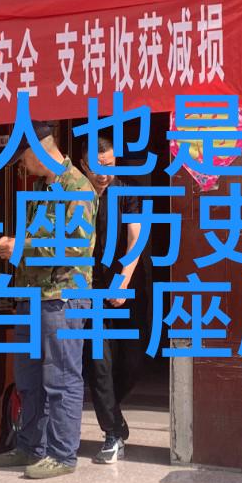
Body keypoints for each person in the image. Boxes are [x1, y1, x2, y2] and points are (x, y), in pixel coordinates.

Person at [0, 122, 97, 479]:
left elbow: (74, 247)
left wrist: (19, 246)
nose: (22, 165)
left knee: (61, 378)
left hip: (62, 297)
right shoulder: (39, 188)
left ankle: (62, 455)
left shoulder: (78, 187)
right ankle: (31, 447)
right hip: (30, 297)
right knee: (29, 379)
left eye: (22, 158)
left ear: (38, 150)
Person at [80, 135, 150, 464]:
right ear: (84, 166)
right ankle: (112, 433)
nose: (103, 174)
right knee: (99, 363)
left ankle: (114, 415)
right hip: (89, 288)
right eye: (97, 168)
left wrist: (123, 281)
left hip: (127, 285)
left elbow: (136, 237)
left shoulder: (128, 191)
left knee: (133, 363)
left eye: (109, 165)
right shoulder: (75, 195)